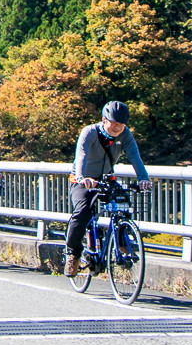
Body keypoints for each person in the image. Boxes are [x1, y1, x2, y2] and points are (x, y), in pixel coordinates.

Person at [64, 101, 152, 276]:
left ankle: (123, 245)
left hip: (105, 178)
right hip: (82, 180)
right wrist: (82, 178)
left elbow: (134, 156)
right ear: (104, 120)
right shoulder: (89, 132)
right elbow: (81, 155)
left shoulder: (125, 134)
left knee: (122, 204)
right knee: (83, 212)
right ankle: (72, 253)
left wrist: (143, 178)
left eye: (121, 124)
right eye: (114, 123)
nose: (118, 127)